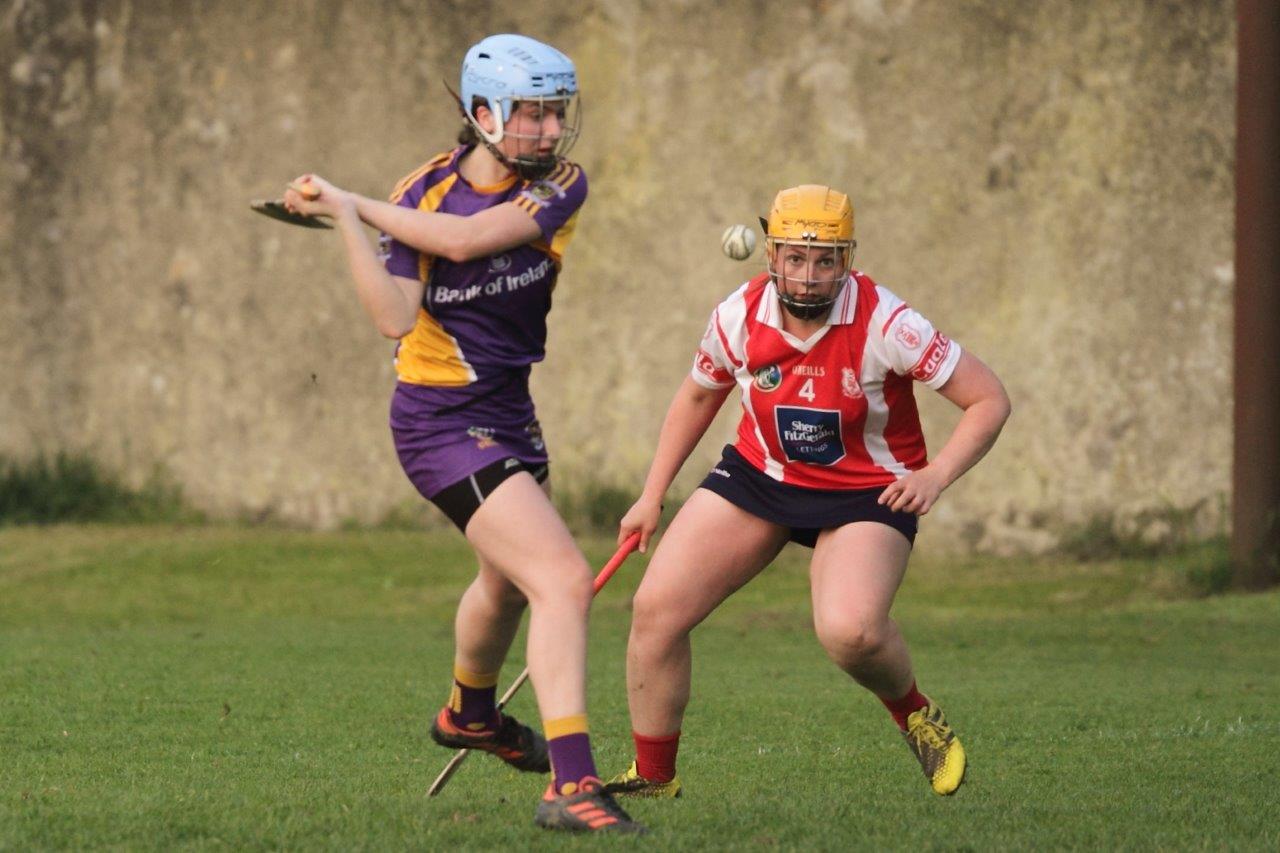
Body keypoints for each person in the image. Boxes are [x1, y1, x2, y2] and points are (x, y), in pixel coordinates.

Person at [282, 33, 641, 833]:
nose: (551, 133)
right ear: (482, 115)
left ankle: (469, 714)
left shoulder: (560, 184)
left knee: (507, 583)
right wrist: (351, 219)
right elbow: (391, 318)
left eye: (557, 113)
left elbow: (466, 243)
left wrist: (352, 200)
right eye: (533, 115)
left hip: (510, 408)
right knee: (560, 579)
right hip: (439, 419)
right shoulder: (422, 192)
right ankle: (572, 786)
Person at [605, 185, 1011, 799]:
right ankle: (654, 778)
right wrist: (651, 493)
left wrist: (935, 474)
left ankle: (916, 715)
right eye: (795, 258)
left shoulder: (888, 321)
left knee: (851, 633)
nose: (809, 276)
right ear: (771, 256)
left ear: (848, 260)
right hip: (760, 476)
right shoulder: (737, 315)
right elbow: (698, 395)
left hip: (866, 493)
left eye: (826, 261)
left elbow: (989, 399)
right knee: (656, 612)